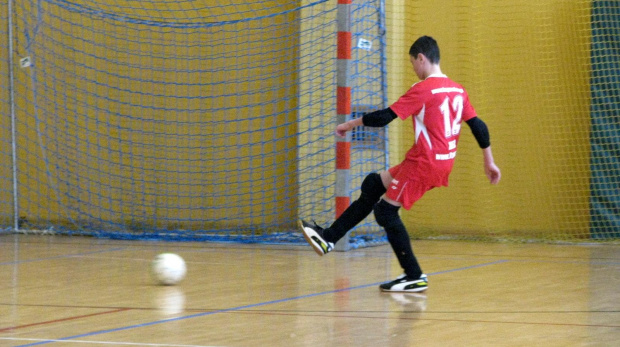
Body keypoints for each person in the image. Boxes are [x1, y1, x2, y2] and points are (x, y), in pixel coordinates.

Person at [299, 35, 501, 293]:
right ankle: (328, 238)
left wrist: (350, 124)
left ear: (421, 58)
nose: (413, 69)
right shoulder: (457, 89)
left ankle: (413, 275)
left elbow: (385, 117)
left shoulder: (424, 89)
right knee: (373, 185)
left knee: (385, 212)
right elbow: (478, 126)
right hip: (434, 161)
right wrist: (489, 161)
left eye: (412, 63)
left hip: (424, 163)